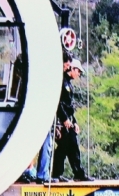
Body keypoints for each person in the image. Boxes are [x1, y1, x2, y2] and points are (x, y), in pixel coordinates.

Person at [52, 58, 93, 182]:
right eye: (78, 71)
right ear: (72, 69)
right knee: (64, 147)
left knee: (72, 147)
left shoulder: (68, 84)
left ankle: (77, 173)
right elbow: (58, 103)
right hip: (61, 121)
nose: (79, 74)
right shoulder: (61, 82)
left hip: (68, 121)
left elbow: (69, 107)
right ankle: (56, 174)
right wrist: (64, 119)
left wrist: (74, 122)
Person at [36, 51, 73, 182]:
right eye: (65, 66)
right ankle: (42, 174)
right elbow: (56, 101)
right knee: (47, 144)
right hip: (45, 114)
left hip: (49, 115)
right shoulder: (53, 78)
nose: (66, 69)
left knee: (48, 144)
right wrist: (62, 119)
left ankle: (43, 173)